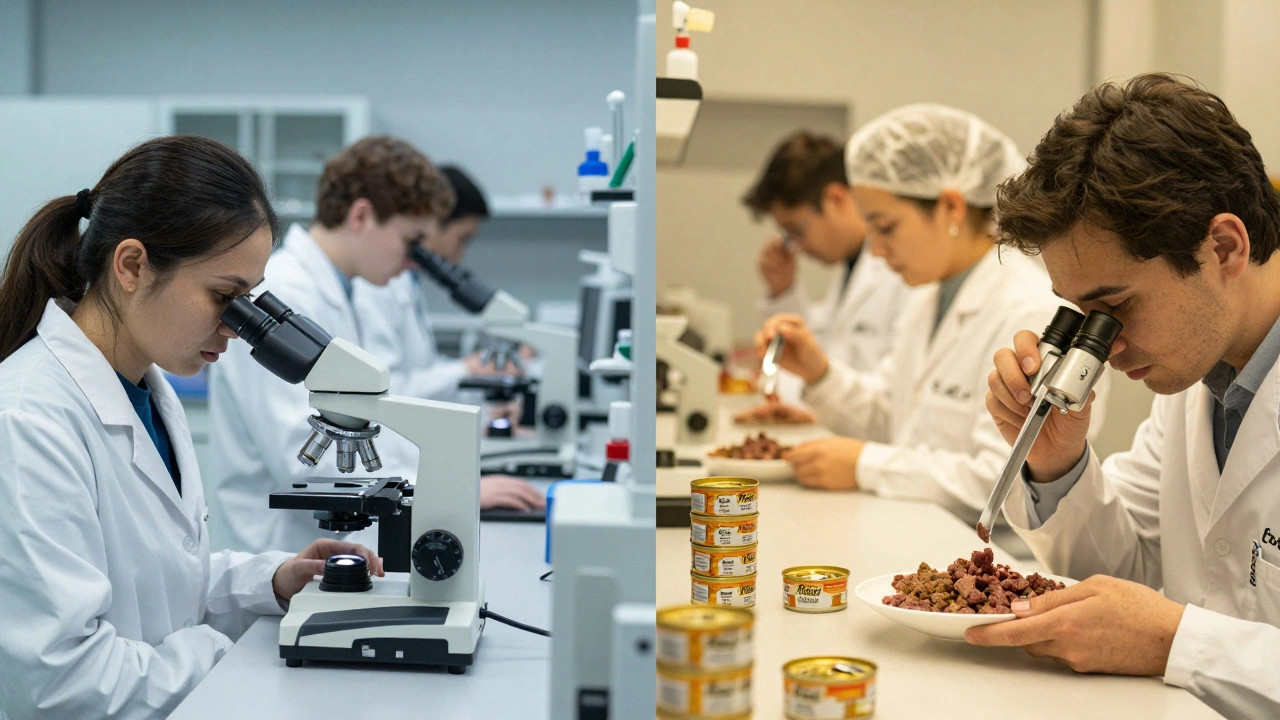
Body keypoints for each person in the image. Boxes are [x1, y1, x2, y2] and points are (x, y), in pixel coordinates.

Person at [0, 135, 382, 718]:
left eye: (250, 299)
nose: (238, 325)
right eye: (225, 296)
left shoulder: (147, 391)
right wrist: (237, 654)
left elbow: (161, 584)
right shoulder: (28, 419)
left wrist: (273, 581)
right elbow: (64, 680)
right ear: (131, 265)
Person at [971, 73, 1280, 720]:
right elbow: (1127, 574)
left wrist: (1178, 641)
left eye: (1113, 308)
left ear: (1223, 247)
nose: (1102, 347)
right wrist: (1056, 463)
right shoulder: (1201, 371)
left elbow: (1159, 629)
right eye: (1082, 314)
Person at [755, 105, 1108, 528]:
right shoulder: (930, 296)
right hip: (910, 536)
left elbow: (1007, 478)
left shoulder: (1032, 310)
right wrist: (818, 374)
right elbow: (891, 415)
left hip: (989, 562)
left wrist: (865, 465)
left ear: (952, 209)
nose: (876, 251)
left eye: (885, 228)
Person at [207, 137, 542, 555]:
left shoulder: (351, 292)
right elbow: (304, 453)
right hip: (281, 549)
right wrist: (446, 488)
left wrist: (447, 478)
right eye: (410, 240)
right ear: (362, 216)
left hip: (339, 538)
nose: (414, 259)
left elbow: (374, 419)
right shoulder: (281, 293)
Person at [745, 131, 911, 378]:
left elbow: (887, 394)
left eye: (797, 230)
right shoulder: (850, 267)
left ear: (836, 199)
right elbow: (822, 351)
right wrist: (784, 291)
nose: (797, 247)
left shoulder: (902, 269)